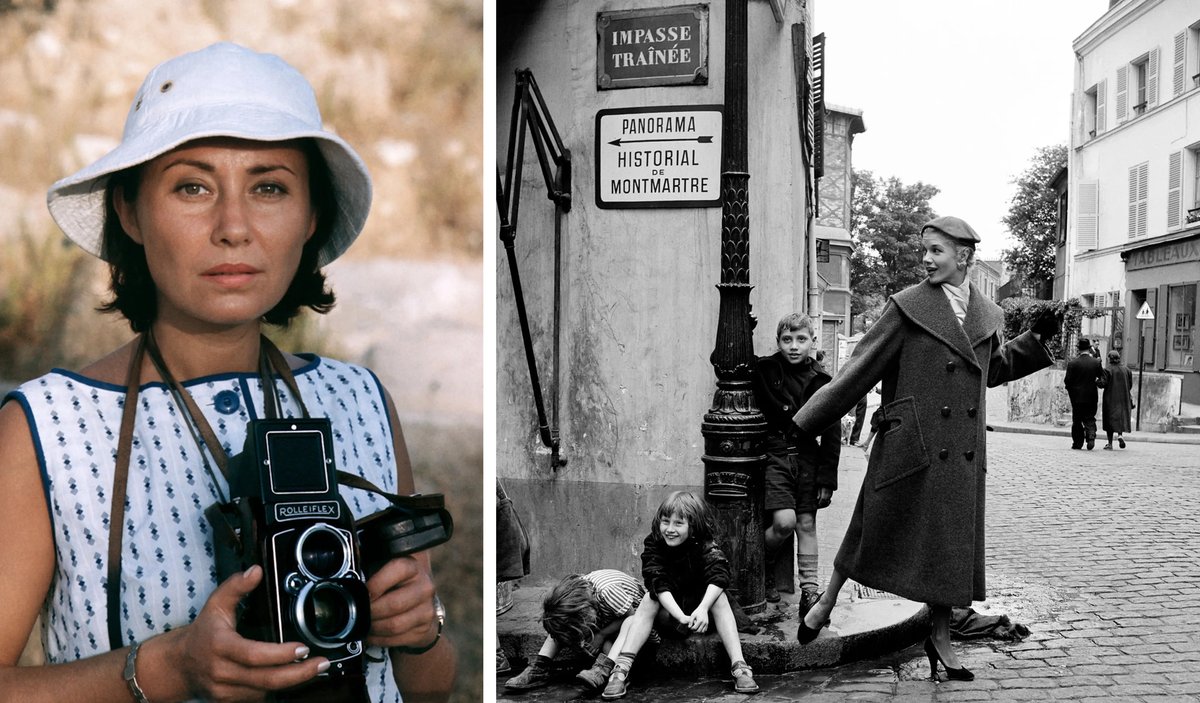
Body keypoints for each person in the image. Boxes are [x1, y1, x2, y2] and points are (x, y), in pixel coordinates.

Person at [0, 43, 454, 703]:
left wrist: (419, 631)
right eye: (193, 186)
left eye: (269, 187)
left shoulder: (359, 400)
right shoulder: (50, 427)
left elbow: (428, 688)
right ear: (129, 210)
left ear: (311, 215)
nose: (233, 227)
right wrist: (168, 667)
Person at [786, 216, 1057, 682]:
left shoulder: (988, 313)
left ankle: (941, 638)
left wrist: (1035, 343)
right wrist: (804, 423)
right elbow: (858, 370)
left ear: (963, 257)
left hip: (960, 449)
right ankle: (825, 602)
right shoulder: (907, 306)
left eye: (936, 251)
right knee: (871, 527)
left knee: (948, 547)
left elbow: (991, 369)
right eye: (925, 250)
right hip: (910, 442)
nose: (926, 260)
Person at [600, 491, 758, 699]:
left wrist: (703, 608)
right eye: (665, 521)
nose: (670, 529)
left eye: (678, 523)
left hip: (702, 615)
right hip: (670, 612)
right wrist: (680, 616)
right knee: (649, 598)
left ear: (692, 526)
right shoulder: (654, 543)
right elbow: (657, 582)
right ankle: (621, 669)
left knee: (720, 596)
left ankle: (740, 666)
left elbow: (719, 574)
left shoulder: (704, 542)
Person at [750, 313, 839, 611]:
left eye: (801, 339)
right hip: (775, 454)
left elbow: (832, 433)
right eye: (787, 339)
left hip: (808, 459)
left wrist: (827, 479)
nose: (794, 346)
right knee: (784, 522)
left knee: (806, 523)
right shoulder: (766, 370)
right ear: (778, 342)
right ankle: (762, 565)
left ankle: (810, 592)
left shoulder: (823, 381)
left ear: (813, 341)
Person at [504, 569, 645, 692]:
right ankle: (539, 668)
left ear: (584, 612)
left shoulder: (608, 592)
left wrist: (601, 634)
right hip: (606, 617)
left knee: (610, 641)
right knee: (559, 623)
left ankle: (606, 670)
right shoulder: (578, 595)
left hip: (632, 621)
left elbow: (632, 617)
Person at [1065, 339, 1105, 450]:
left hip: (1077, 397)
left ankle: (1078, 443)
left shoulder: (1073, 363)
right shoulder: (1096, 363)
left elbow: (1067, 381)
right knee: (1090, 417)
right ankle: (1091, 435)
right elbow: (1103, 377)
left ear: (1079, 349)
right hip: (1091, 396)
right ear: (1089, 348)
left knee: (1077, 419)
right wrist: (1097, 383)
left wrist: (1072, 392)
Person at [1100, 349, 1134, 450]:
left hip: (1110, 398)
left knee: (1109, 420)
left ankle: (1110, 443)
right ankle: (1120, 435)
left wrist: (1097, 381)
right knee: (1120, 418)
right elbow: (1130, 385)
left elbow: (1103, 383)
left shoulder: (1108, 370)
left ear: (1110, 359)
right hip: (1123, 398)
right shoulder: (1127, 370)